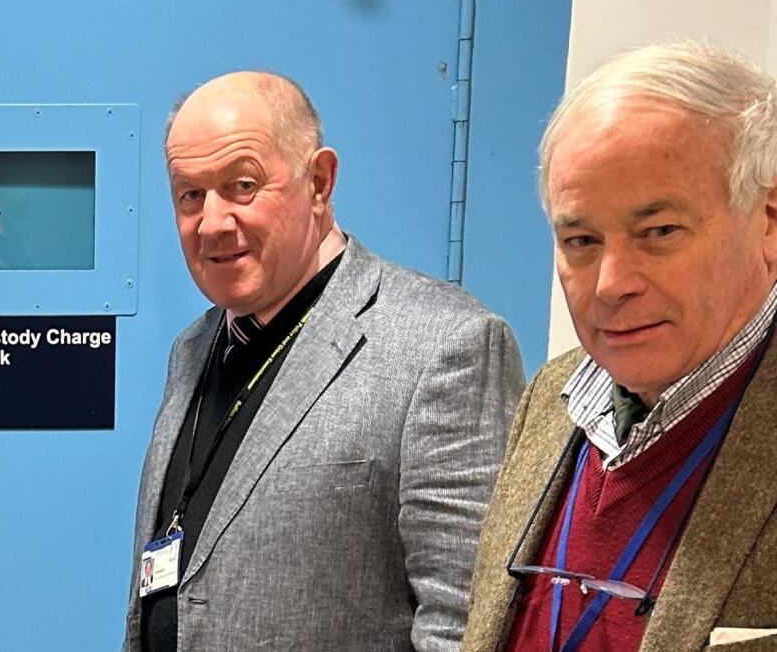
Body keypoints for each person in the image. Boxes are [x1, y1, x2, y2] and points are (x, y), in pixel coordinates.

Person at [124, 71, 525, 652]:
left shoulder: (445, 346)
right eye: (190, 195)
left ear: (318, 182)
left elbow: (467, 625)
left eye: (242, 186)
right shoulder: (194, 347)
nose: (212, 222)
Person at [462, 43, 777, 650]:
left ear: (768, 219)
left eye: (659, 231)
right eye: (581, 240)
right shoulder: (551, 399)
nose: (610, 285)